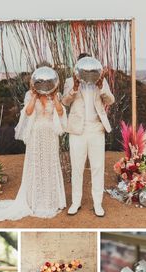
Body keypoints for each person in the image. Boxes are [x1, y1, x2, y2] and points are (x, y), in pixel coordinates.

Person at [0, 71, 67, 225]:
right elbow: (28, 112)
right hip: (36, 136)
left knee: (49, 165)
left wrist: (54, 97)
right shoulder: (30, 94)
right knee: (35, 165)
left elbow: (60, 112)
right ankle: (33, 200)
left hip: (50, 136)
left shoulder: (56, 95)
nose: (43, 85)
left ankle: (50, 201)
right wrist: (35, 96)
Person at [62, 53, 115, 217]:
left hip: (96, 129)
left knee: (98, 167)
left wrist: (101, 87)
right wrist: (75, 89)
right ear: (78, 67)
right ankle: (75, 202)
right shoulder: (70, 82)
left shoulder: (100, 80)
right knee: (77, 168)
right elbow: (65, 101)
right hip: (77, 131)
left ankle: (97, 204)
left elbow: (110, 100)